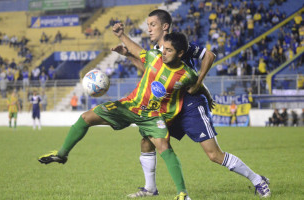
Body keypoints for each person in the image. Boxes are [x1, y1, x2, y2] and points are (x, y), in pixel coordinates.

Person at [112, 9, 270, 198]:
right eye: (147, 25)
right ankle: (150, 188)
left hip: (190, 106)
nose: (149, 29)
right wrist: (129, 55)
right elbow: (147, 70)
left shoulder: (179, 45)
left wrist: (198, 83)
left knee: (214, 155)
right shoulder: (156, 51)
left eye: (152, 25)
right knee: (147, 141)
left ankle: (257, 180)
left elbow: (209, 56)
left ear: (165, 26)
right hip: (170, 106)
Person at [38, 31, 199, 200]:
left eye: (169, 50)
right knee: (86, 117)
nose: (163, 52)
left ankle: (182, 194)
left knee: (163, 146)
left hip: (153, 115)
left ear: (180, 53)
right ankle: (62, 154)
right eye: (163, 48)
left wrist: (206, 96)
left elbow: (197, 86)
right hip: (130, 105)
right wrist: (122, 36)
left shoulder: (188, 74)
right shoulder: (154, 56)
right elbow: (137, 50)